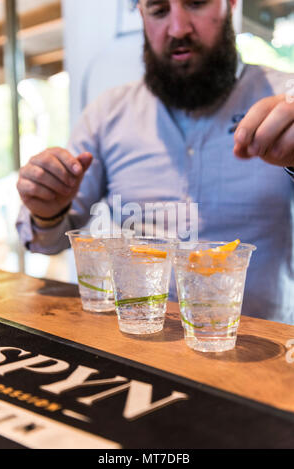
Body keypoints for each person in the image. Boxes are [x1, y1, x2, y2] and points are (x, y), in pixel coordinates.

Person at [16, 0, 294, 324]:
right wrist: (48, 208)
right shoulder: (107, 114)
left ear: (231, 4)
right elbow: (46, 242)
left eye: (196, 3)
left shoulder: (285, 99)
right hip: (136, 345)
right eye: (159, 10)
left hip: (262, 351)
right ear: (141, 16)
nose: (178, 28)